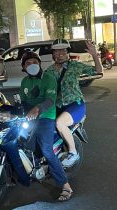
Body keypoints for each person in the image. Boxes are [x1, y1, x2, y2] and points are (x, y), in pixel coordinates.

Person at [19, 50, 74, 201]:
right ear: (24, 67)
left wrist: (37, 109)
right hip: (30, 118)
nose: (32, 65)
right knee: (20, 142)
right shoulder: (25, 82)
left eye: (35, 62)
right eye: (28, 63)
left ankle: (65, 185)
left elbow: (50, 100)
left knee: (46, 150)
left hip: (46, 117)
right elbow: (23, 102)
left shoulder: (48, 78)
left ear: (40, 63)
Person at [45, 39, 103, 167]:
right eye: (57, 50)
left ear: (67, 52)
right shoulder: (49, 71)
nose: (60, 53)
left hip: (75, 104)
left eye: (63, 50)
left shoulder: (75, 66)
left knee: (59, 123)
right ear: (53, 53)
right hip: (57, 106)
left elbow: (98, 71)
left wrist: (95, 55)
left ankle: (73, 152)